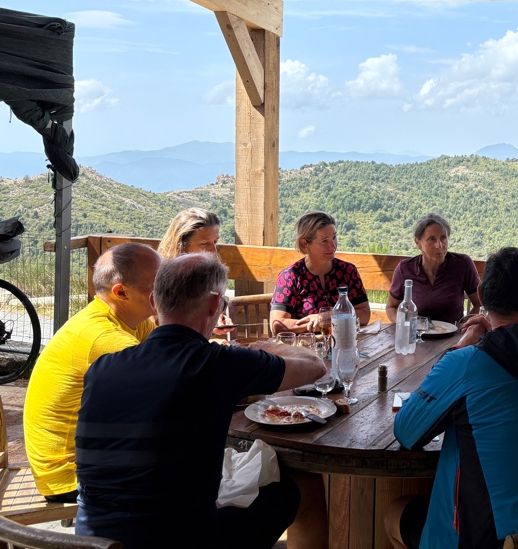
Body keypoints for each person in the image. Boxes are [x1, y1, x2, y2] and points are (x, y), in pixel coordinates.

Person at [75, 253, 328, 549]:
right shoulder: (216, 364)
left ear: (155, 302)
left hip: (92, 540)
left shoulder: (101, 369)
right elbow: (315, 366)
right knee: (307, 486)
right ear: (213, 303)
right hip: (181, 541)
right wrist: (271, 347)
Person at [386, 247, 518, 549]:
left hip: (493, 540)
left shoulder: (466, 362)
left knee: (395, 513)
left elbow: (407, 431)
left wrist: (463, 346)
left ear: (482, 296)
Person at [24, 243, 161, 503]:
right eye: (159, 284)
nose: (168, 290)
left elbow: (171, 348)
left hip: (82, 459)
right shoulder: (103, 337)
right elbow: (175, 379)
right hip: (68, 476)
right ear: (121, 292)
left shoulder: (125, 320)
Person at [270, 211, 371, 334]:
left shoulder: (348, 271)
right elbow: (277, 325)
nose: (333, 246)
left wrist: (328, 316)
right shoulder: (290, 277)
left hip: (343, 342)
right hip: (304, 344)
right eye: (324, 241)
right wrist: (319, 325)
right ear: (305, 243)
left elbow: (364, 314)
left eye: (334, 237)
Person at [386, 213, 481, 325]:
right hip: (416, 334)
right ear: (418, 243)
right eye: (432, 239)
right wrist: (404, 326)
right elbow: (391, 307)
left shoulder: (462, 264)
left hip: (453, 334)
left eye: (443, 238)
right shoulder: (405, 269)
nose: (439, 245)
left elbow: (480, 304)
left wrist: (464, 326)